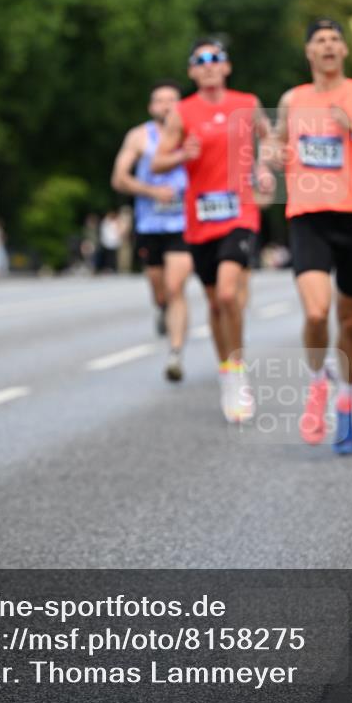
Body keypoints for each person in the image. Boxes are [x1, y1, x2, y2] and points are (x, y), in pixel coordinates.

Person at [273, 18, 352, 454]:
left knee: (349, 321)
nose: (327, 46)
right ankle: (316, 384)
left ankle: (345, 403)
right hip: (308, 217)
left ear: (343, 51)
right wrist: (268, 156)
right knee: (315, 313)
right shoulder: (293, 100)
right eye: (319, 40)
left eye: (334, 40)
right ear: (309, 52)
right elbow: (275, 151)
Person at [153, 40, 275, 419]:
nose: (208, 66)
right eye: (200, 61)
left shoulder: (247, 102)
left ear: (227, 67)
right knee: (212, 301)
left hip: (240, 211)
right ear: (192, 71)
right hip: (201, 218)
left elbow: (268, 140)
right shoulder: (182, 112)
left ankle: (237, 373)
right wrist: (179, 155)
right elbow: (158, 160)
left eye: (215, 59)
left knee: (227, 295)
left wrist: (265, 166)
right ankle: (226, 370)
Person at [111, 81, 193, 381]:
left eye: (172, 100)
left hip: (184, 224)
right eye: (160, 101)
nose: (167, 105)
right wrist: (151, 191)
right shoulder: (139, 136)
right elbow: (119, 179)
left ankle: (175, 353)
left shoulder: (191, 134)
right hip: (149, 225)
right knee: (160, 289)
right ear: (151, 107)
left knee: (176, 287)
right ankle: (162, 308)